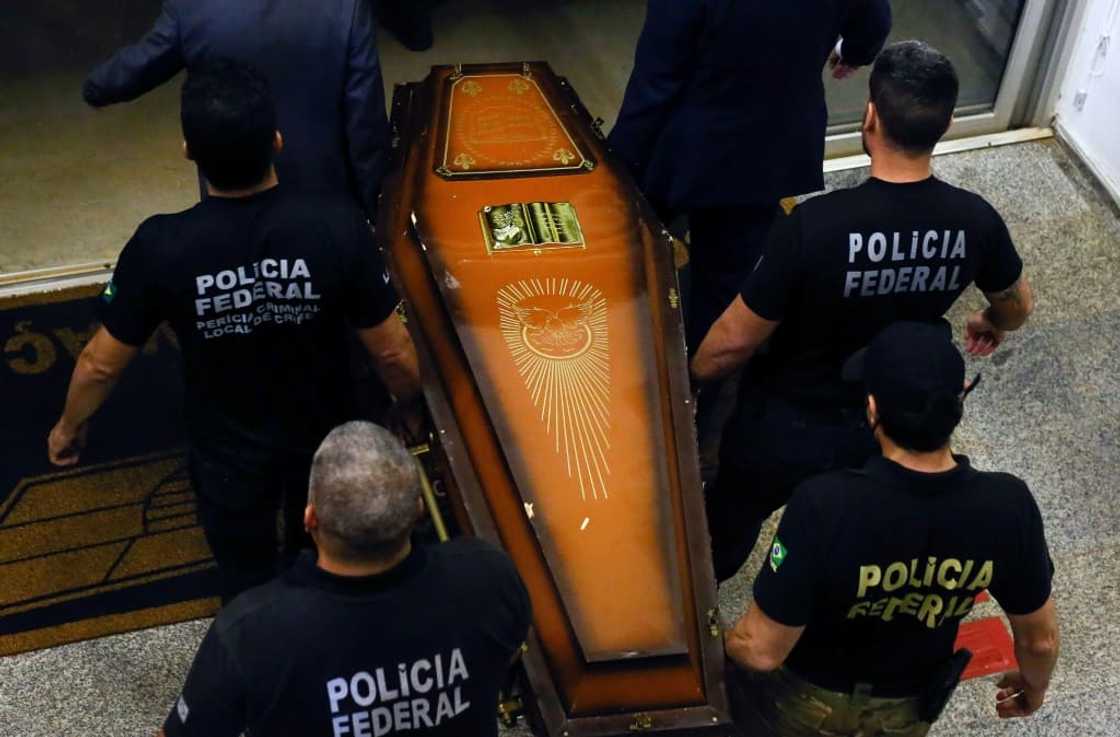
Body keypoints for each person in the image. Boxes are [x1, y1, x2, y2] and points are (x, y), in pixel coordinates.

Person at [48, 62, 420, 603]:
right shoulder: (337, 226)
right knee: (320, 555)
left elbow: (99, 364)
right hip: (321, 436)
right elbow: (391, 350)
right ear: (276, 141)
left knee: (241, 567)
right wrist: (409, 404)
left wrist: (68, 426)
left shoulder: (160, 245)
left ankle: (252, 623)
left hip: (227, 452)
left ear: (187, 151)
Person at [692, 41, 1035, 581]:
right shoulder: (976, 221)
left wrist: (689, 379)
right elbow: (1016, 305)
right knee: (850, 536)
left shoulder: (814, 225)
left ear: (870, 116)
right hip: (887, 428)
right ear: (944, 127)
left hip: (786, 418)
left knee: (727, 524)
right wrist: (991, 323)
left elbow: (733, 342)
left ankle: (707, 588)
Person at [723, 322, 1059, 737]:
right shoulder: (1009, 506)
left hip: (805, 702)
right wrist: (1033, 686)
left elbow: (760, 651)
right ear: (960, 400)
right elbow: (1039, 640)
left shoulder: (824, 504)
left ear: (872, 409)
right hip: (908, 708)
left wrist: (717, 643)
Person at [159, 421, 532, 737]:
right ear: (418, 509)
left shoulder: (248, 633)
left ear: (310, 519)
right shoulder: (488, 576)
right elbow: (507, 655)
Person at [609, 0, 892, 354]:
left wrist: (615, 167)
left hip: (681, 146)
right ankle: (696, 392)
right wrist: (851, 50)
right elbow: (873, 23)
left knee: (629, 262)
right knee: (721, 289)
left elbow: (657, 79)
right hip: (767, 151)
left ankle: (621, 369)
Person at [82, 0, 389, 218]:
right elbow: (366, 122)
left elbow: (143, 63)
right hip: (326, 198)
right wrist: (375, 208)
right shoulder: (347, 6)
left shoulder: (193, 7)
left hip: (231, 198)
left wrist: (96, 87)